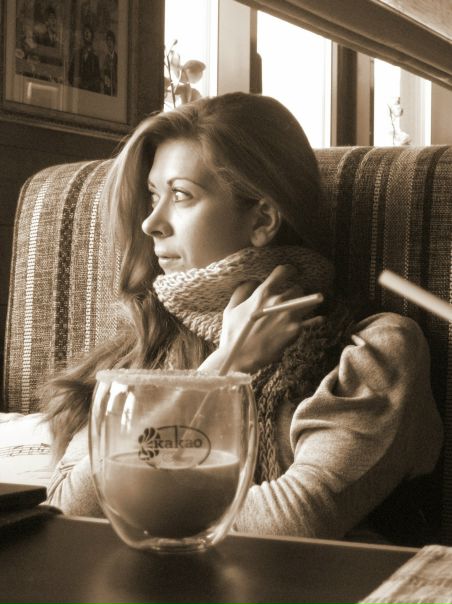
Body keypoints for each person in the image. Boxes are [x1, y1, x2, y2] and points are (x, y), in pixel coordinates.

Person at [42, 92, 443, 542]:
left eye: (181, 195)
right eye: (153, 196)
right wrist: (224, 367)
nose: (150, 223)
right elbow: (69, 506)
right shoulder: (143, 347)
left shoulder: (375, 351)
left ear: (262, 220)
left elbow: (294, 521)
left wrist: (136, 500)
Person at [68, 24, 101, 93]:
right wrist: (74, 80)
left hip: (89, 93)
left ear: (92, 36)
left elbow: (97, 79)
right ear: (83, 35)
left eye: (89, 31)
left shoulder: (95, 58)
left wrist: (86, 85)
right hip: (77, 92)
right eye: (85, 31)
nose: (87, 33)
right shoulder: (77, 54)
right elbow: (70, 74)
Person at [102, 30, 117, 96]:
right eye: (107, 40)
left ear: (114, 42)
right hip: (107, 89)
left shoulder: (117, 58)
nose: (109, 43)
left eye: (110, 40)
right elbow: (104, 73)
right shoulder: (106, 58)